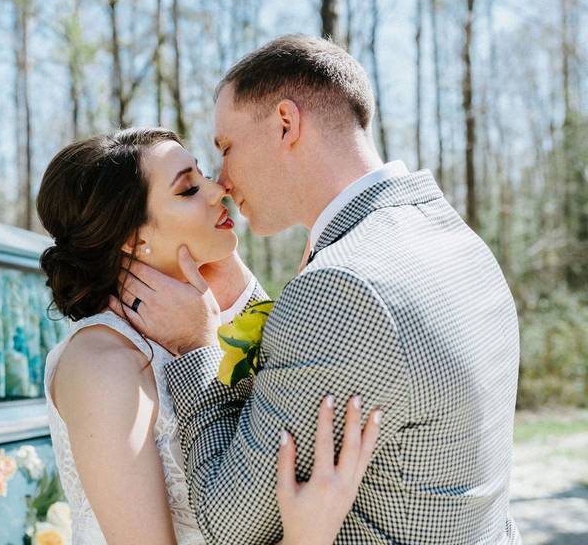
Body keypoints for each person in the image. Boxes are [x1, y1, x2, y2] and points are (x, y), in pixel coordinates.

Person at [112, 35, 521, 543]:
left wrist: (197, 348)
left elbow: (230, 523)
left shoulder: (342, 285)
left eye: (226, 148)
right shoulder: (454, 238)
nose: (224, 180)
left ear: (286, 123)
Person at [37, 128, 380, 544]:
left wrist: (233, 291)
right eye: (188, 189)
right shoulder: (103, 365)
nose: (219, 189)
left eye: (204, 176)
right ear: (133, 239)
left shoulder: (202, 319)